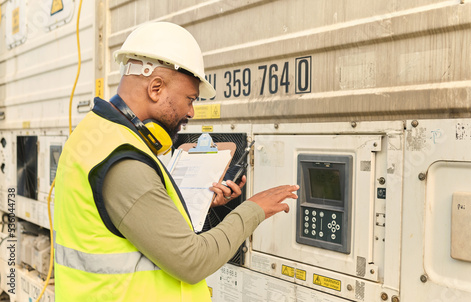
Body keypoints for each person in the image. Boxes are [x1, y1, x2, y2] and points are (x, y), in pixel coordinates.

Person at [54, 22, 298, 301]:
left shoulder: (96, 134)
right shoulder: (124, 161)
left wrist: (197, 202)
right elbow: (191, 261)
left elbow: (131, 222)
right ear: (156, 88)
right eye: (190, 99)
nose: (192, 112)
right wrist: (254, 209)